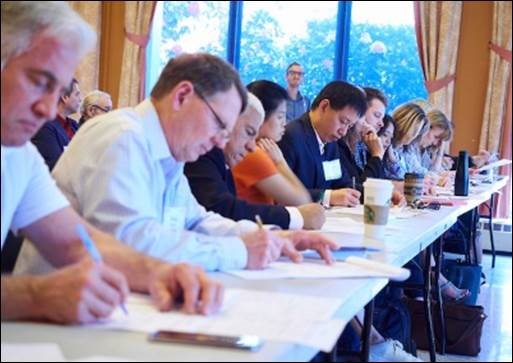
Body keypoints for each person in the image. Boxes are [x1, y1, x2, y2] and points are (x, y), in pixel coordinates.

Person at [15, 53, 336, 277]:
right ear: (182, 96)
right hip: (56, 320)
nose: (219, 141)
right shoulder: (123, 137)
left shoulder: (166, 151)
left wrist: (273, 238)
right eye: (218, 125)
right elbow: (136, 243)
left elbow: (196, 220)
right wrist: (241, 251)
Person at [2, 1, 223, 324]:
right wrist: (33, 295)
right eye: (38, 82)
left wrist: (160, 272)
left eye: (57, 90)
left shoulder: (19, 156)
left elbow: (78, 242)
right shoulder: (121, 134)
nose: (49, 110)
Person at [185, 92, 326, 231]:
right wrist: (296, 217)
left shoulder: (224, 157)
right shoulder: (209, 152)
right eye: (280, 116)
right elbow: (221, 209)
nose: (286, 123)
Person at [278, 81, 365, 207]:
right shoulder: (291, 136)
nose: (344, 131)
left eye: (349, 126)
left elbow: (342, 183)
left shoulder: (330, 142)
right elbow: (280, 191)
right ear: (324, 106)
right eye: (343, 121)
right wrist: (327, 196)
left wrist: (376, 194)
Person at [232, 80, 311, 206]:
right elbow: (302, 201)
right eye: (280, 116)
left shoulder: (252, 149)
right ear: (260, 116)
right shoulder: (253, 153)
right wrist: (280, 162)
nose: (284, 123)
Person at [31, 78, 81, 170]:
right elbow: (56, 165)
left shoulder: (73, 125)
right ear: (65, 97)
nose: (80, 99)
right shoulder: (45, 127)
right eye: (77, 94)